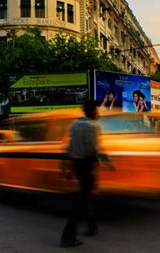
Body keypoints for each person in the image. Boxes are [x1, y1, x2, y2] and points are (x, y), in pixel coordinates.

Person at [60, 100, 115, 248]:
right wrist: (107, 162)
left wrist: (65, 169)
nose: (98, 113)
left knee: (85, 197)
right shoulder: (92, 127)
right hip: (87, 165)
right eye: (96, 110)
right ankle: (68, 238)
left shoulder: (74, 125)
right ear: (91, 111)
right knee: (81, 202)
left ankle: (92, 226)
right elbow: (94, 148)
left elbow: (68, 148)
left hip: (78, 166)